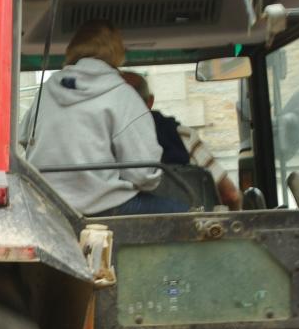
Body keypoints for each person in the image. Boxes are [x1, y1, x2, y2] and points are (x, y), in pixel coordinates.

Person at [18, 20, 186, 216]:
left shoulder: (46, 91)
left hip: (47, 205)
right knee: (190, 215)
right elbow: (143, 174)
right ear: (117, 52)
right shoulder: (123, 96)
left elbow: (23, 141)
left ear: (72, 49)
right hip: (106, 207)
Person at [120, 71, 241, 210]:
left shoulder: (102, 143)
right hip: (189, 222)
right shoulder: (184, 136)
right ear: (150, 101)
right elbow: (231, 195)